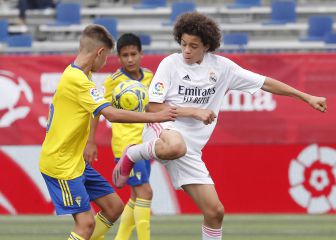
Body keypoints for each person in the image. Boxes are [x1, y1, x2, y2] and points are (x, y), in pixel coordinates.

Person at [112, 12, 327, 240]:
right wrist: (194, 111)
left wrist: (307, 97)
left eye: (193, 46)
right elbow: (153, 108)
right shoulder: (170, 64)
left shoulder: (224, 68)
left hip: (191, 150)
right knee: (176, 146)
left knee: (215, 212)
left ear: (207, 45)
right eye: (183, 44)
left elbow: (265, 83)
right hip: (164, 132)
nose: (186, 50)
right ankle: (133, 153)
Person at [39, 24, 177, 240]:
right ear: (100, 53)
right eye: (107, 58)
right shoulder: (77, 81)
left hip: (75, 161)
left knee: (114, 207)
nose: (106, 64)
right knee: (85, 224)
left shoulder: (83, 77)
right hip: (61, 164)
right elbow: (111, 114)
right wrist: (156, 116)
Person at [84, 33, 153, 240]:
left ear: (141, 54)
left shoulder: (150, 76)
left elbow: (154, 106)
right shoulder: (113, 81)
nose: (130, 59)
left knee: (135, 196)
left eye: (133, 54)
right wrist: (91, 140)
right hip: (126, 147)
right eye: (125, 55)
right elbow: (97, 109)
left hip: (146, 144)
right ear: (119, 57)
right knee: (146, 193)